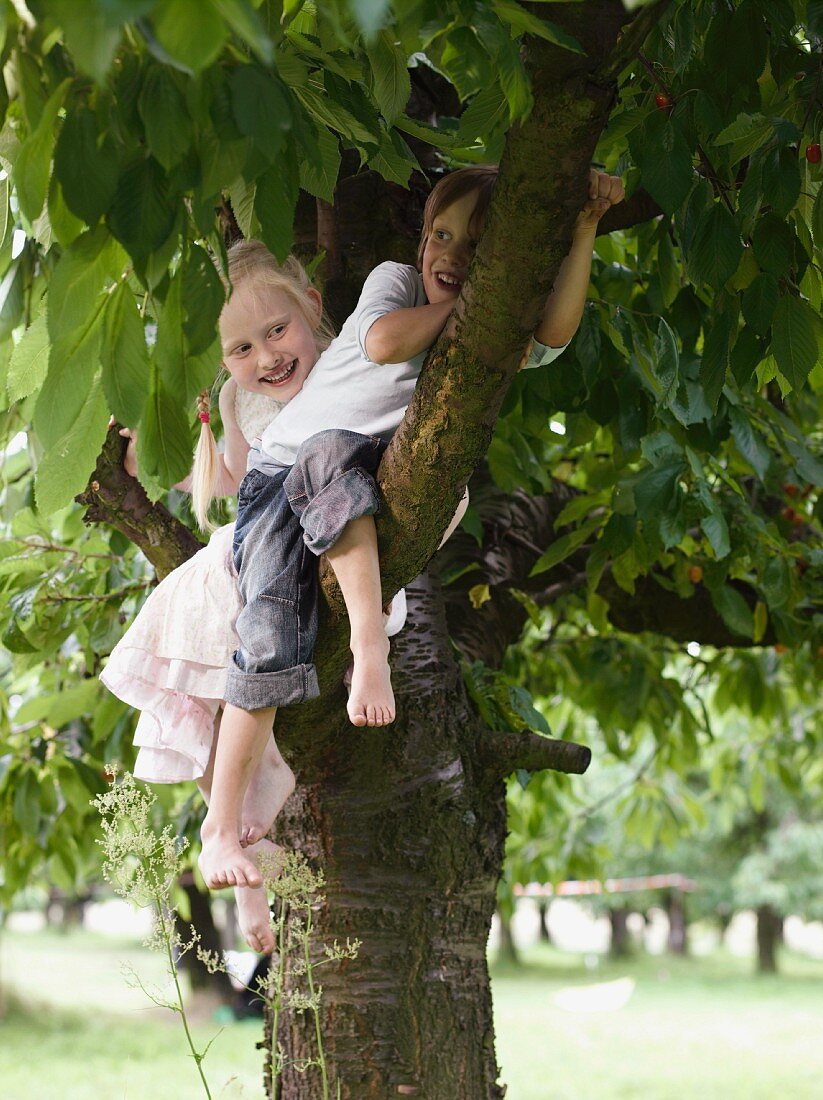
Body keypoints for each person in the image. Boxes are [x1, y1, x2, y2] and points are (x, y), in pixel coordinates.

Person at [199, 164, 624, 894]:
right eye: (441, 234)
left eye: (477, 245)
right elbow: (389, 344)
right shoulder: (393, 283)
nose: (450, 255)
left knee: (340, 466)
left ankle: (336, 686)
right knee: (268, 636)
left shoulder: (502, 317)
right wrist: (489, 310)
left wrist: (583, 225)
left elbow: (553, 326)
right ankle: (216, 823)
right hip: (277, 482)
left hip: (347, 472)